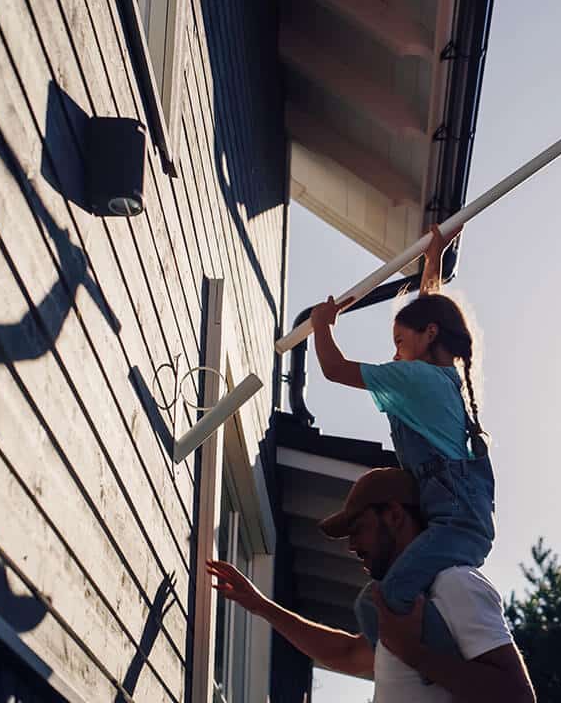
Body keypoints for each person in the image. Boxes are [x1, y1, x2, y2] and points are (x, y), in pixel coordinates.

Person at [308, 224, 496, 661]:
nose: (394, 353)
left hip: (453, 525)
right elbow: (428, 318)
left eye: (398, 341)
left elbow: (334, 369)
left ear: (429, 334)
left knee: (381, 604)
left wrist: (321, 325)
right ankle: (443, 661)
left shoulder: (413, 379)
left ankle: (453, 677)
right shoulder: (444, 378)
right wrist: (432, 264)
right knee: (397, 602)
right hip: (461, 521)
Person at [206, 468, 535, 702]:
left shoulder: (454, 582)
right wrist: (260, 605)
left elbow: (518, 696)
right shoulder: (405, 605)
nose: (351, 546)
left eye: (358, 529)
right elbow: (347, 653)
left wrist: (413, 652)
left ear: (394, 515)